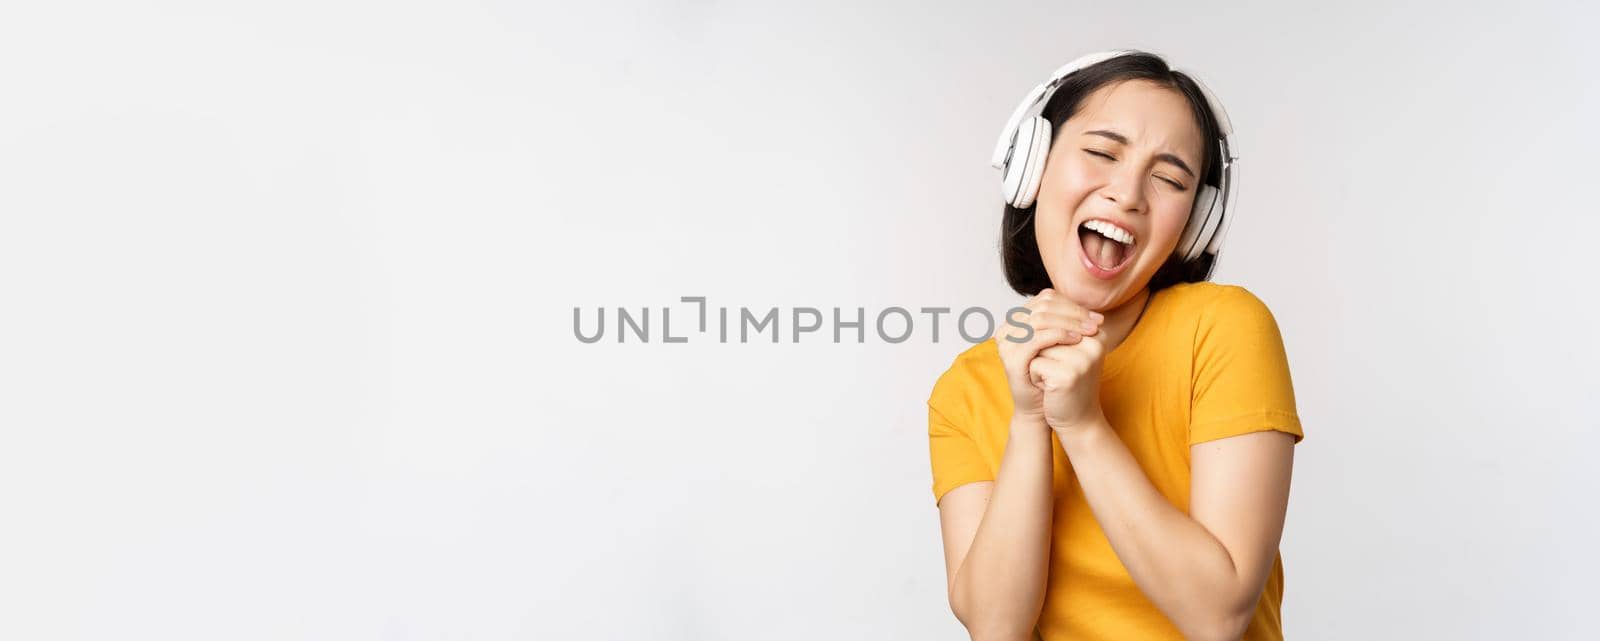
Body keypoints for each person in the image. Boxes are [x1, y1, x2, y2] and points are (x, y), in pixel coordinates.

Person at [927, 50, 1304, 641]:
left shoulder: (1226, 327)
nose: (1128, 193)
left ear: (1195, 223)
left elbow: (1219, 614)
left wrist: (1082, 426)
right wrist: (1030, 419)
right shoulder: (964, 389)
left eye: (1170, 178)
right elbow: (995, 628)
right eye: (1102, 153)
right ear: (1033, 167)